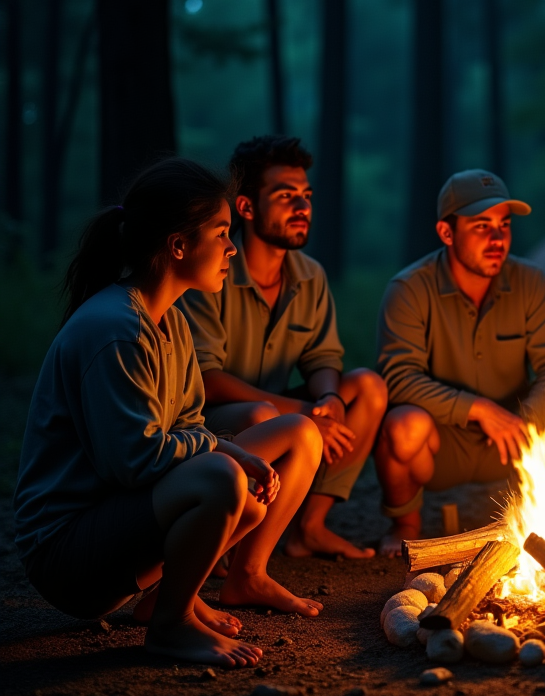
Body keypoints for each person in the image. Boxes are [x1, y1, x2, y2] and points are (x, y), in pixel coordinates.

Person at [13, 159, 325, 669]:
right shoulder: (116, 329)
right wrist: (225, 451)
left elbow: (185, 426)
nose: (232, 247)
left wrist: (224, 450)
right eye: (222, 233)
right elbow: (134, 461)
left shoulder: (170, 322)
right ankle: (171, 626)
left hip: (120, 526)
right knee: (223, 478)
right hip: (69, 555)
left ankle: (175, 594)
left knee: (295, 434)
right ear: (178, 246)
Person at [374, 169, 545, 555]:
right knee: (403, 426)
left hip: (517, 434)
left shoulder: (531, 281)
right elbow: (398, 378)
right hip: (444, 439)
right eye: (481, 226)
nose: (497, 238)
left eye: (504, 225)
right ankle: (405, 524)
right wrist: (477, 409)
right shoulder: (409, 289)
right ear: (447, 233)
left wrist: (529, 422)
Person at [178, 136, 386, 560]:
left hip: (279, 410)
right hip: (208, 421)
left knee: (366, 387)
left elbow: (322, 358)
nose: (303, 208)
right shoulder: (212, 271)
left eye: (306, 196)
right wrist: (306, 414)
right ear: (247, 208)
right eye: (286, 196)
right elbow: (207, 380)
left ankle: (308, 528)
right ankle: (233, 544)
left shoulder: (309, 275)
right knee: (263, 414)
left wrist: (328, 397)